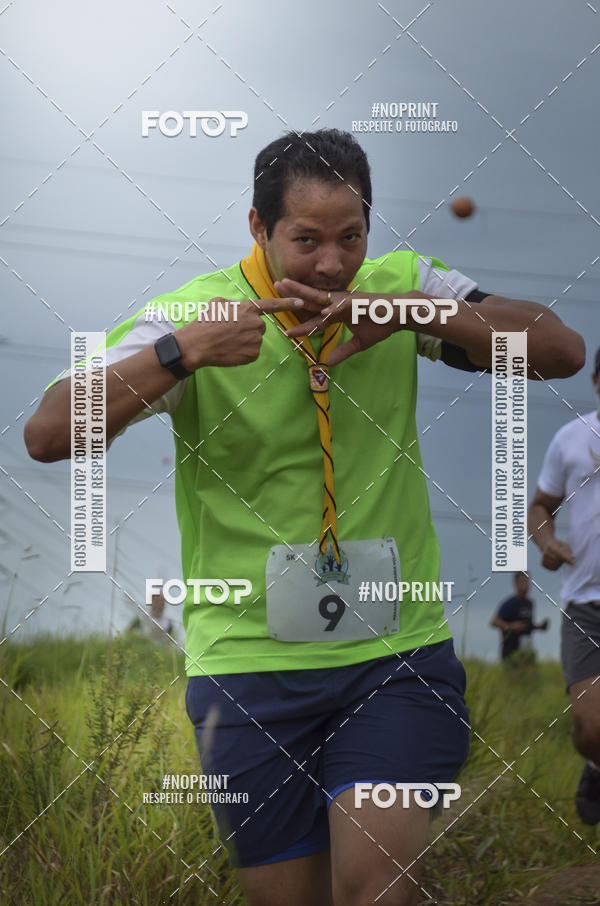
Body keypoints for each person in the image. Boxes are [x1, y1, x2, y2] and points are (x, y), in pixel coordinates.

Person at [25, 129, 584, 906]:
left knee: (377, 884)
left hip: (395, 657)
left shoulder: (398, 288)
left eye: (351, 236)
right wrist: (180, 357)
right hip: (248, 667)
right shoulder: (193, 316)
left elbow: (560, 351)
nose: (332, 263)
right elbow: (50, 432)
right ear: (258, 228)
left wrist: (413, 312)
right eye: (307, 240)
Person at [529, 346, 600, 826]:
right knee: (592, 726)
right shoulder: (571, 438)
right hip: (586, 602)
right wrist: (548, 543)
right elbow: (540, 507)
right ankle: (596, 764)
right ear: (596, 382)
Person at [490, 571, 549, 662]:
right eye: (523, 581)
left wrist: (540, 627)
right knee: (515, 674)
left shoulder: (530, 603)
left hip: (526, 647)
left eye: (528, 582)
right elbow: (494, 622)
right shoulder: (509, 603)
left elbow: (527, 625)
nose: (527, 585)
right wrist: (511, 626)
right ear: (516, 583)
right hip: (511, 649)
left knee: (530, 674)